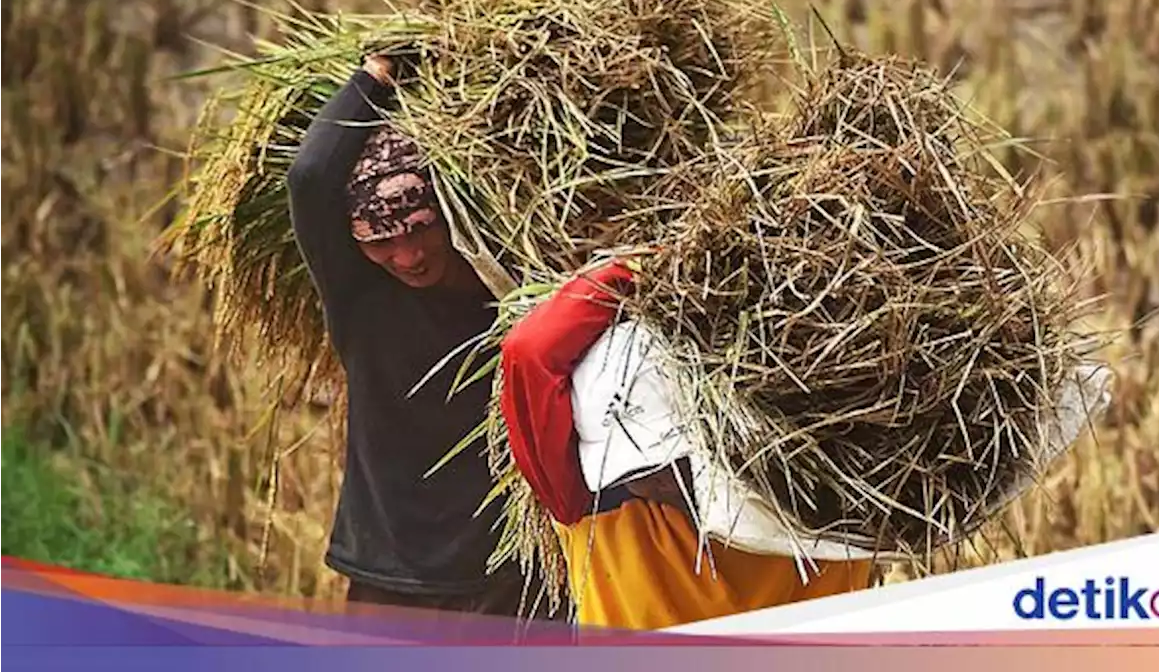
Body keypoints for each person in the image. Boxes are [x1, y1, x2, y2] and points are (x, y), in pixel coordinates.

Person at [498, 257, 877, 630]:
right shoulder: (587, 502)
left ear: (711, 436)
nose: (641, 484)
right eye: (628, 470)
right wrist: (646, 270)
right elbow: (528, 351)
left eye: (662, 466)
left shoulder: (821, 489)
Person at [287, 53, 538, 616]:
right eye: (380, 242)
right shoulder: (360, 299)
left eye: (420, 229)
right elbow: (309, 177)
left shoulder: (515, 291)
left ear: (446, 212)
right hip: (390, 571)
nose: (407, 257)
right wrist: (376, 75)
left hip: (508, 571)